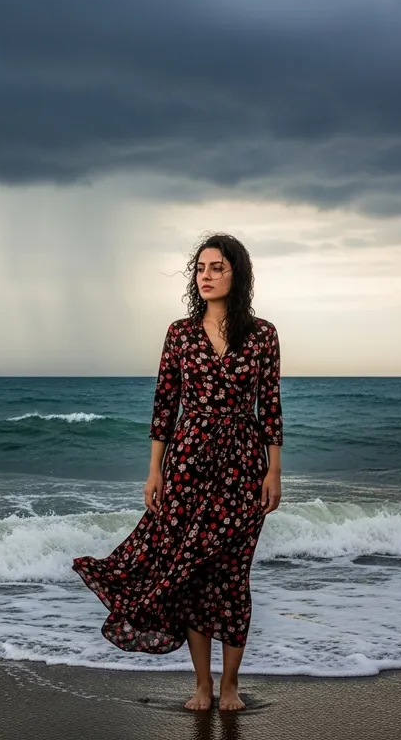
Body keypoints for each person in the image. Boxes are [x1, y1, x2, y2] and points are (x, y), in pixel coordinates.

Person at [72, 233, 283, 712]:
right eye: (201, 268)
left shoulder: (263, 334)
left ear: (238, 274)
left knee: (233, 575)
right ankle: (203, 687)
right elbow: (164, 405)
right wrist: (155, 471)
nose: (205, 276)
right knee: (189, 574)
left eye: (217, 268)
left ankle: (230, 686)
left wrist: (274, 471)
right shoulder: (180, 333)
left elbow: (269, 405)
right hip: (188, 463)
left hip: (244, 465)